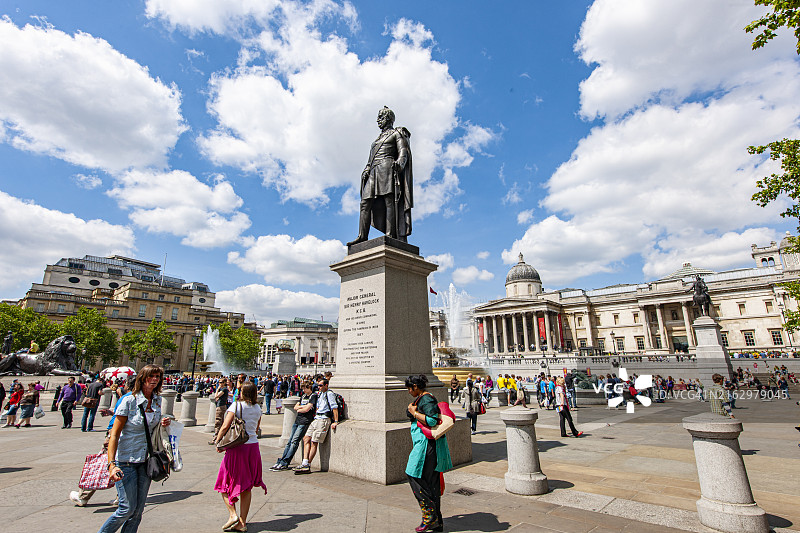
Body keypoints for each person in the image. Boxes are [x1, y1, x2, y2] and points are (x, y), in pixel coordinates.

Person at [99, 365, 171, 533]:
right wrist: (111, 464)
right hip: (126, 460)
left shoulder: (158, 400)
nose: (154, 379)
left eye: (157, 377)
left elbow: (151, 427)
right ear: (142, 378)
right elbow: (115, 434)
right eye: (151, 376)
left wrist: (162, 422)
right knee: (126, 509)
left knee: (138, 511)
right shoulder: (129, 401)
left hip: (146, 461)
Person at [347, 106, 413, 245]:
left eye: (381, 117)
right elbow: (370, 158)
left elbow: (403, 152)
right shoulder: (377, 139)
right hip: (373, 171)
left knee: (388, 200)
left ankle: (390, 233)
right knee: (365, 203)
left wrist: (400, 164)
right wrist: (366, 168)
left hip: (387, 167)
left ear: (389, 119)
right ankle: (362, 236)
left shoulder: (396, 134)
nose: (378, 120)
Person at [70, 376, 135, 507]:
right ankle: (120, 497)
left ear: (128, 384)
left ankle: (83, 496)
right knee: (124, 464)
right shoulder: (138, 398)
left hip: (114, 433)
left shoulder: (126, 397)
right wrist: (111, 412)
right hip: (127, 434)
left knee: (104, 463)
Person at [213, 381, 267, 532]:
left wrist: (218, 442)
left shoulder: (236, 406)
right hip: (253, 447)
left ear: (243, 392)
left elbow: (225, 426)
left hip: (238, 448)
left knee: (223, 483)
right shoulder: (258, 408)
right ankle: (242, 523)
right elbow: (256, 428)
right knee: (246, 487)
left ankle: (232, 514)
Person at [405, 374, 452, 532]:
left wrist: (414, 412)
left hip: (427, 444)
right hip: (426, 443)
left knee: (413, 474)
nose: (408, 392)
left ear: (416, 387)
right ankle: (436, 521)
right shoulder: (421, 399)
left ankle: (429, 514)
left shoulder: (426, 399)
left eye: (409, 389)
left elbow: (431, 420)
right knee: (432, 483)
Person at [294, 378, 338, 474]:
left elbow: (334, 407)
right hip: (316, 418)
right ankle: (304, 462)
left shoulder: (329, 394)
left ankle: (307, 465)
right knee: (306, 438)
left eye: (321, 385)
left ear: (326, 385)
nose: (318, 387)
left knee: (314, 441)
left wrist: (336, 421)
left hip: (323, 419)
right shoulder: (320, 394)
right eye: (318, 385)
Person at [270, 380, 317, 471]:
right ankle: (282, 460)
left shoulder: (313, 396)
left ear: (309, 388)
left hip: (305, 422)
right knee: (289, 442)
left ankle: (285, 462)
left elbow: (307, 409)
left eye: (304, 388)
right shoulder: (303, 396)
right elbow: (296, 407)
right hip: (297, 420)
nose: (303, 390)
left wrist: (301, 408)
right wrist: (301, 408)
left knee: (294, 441)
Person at [210, 378, 231, 445]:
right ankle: (220, 438)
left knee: (218, 422)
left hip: (220, 406)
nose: (220, 383)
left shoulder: (224, 389)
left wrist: (217, 389)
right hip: (221, 406)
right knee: (221, 422)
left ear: (225, 382)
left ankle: (216, 438)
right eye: (219, 382)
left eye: (221, 382)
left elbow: (216, 396)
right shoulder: (225, 389)